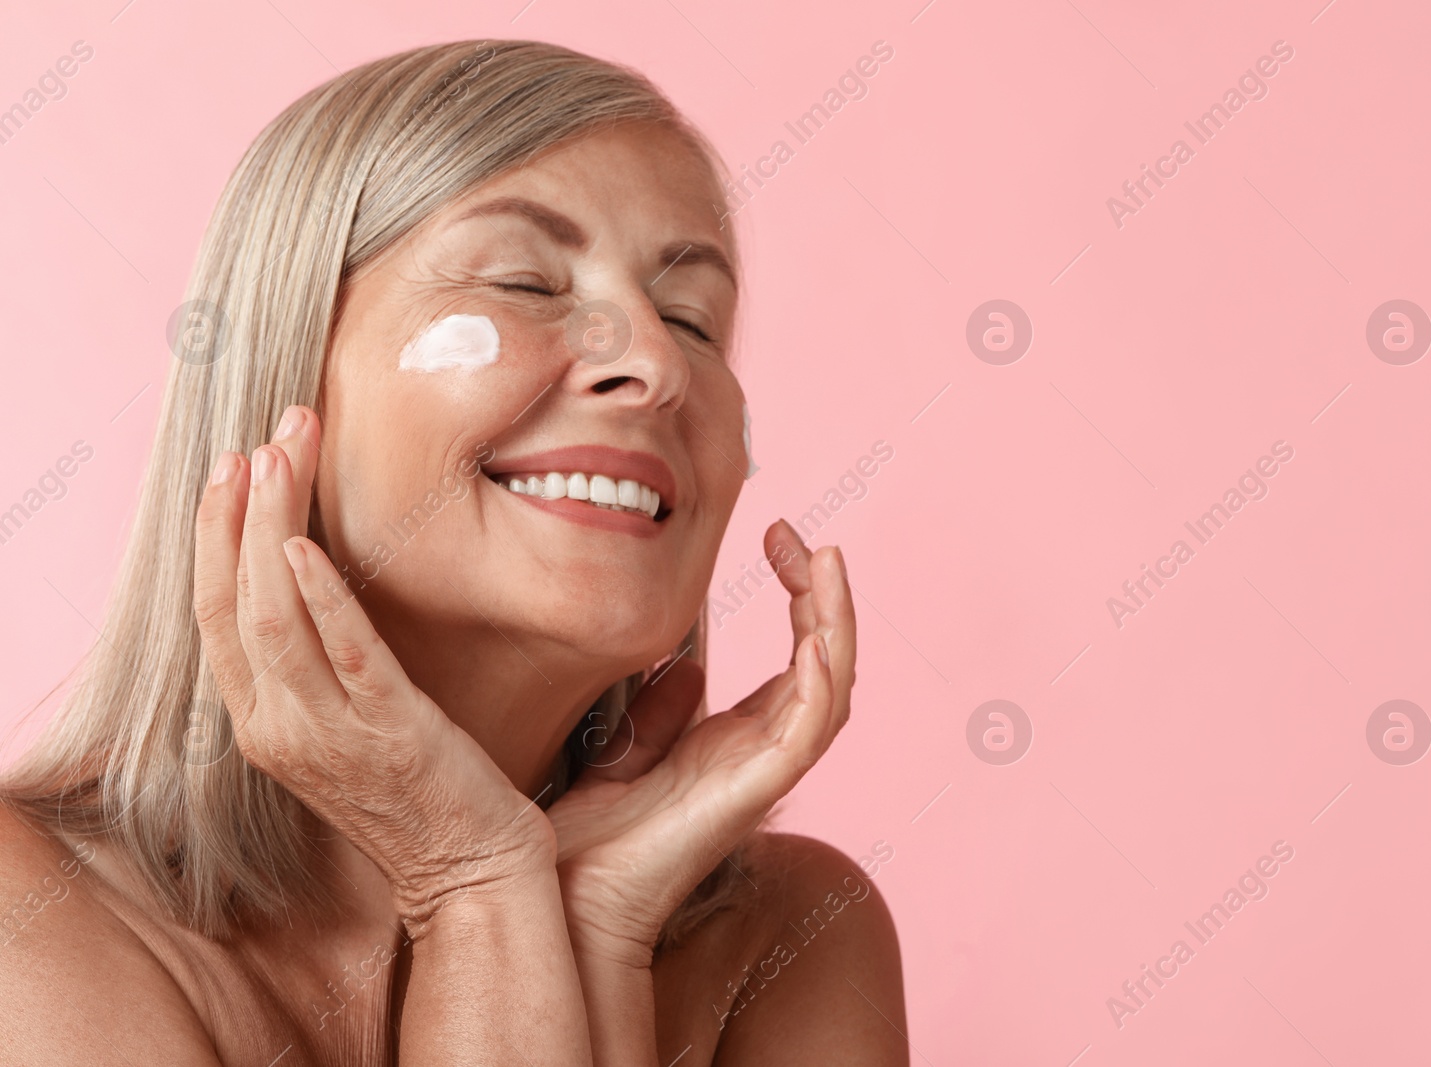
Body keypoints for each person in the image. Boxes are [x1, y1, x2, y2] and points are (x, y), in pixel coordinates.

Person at [0, 39, 905, 1065]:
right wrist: (470, 881)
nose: (654, 362)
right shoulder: (22, 912)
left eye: (693, 320)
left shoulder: (792, 935)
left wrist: (590, 931)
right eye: (526, 281)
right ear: (285, 375)